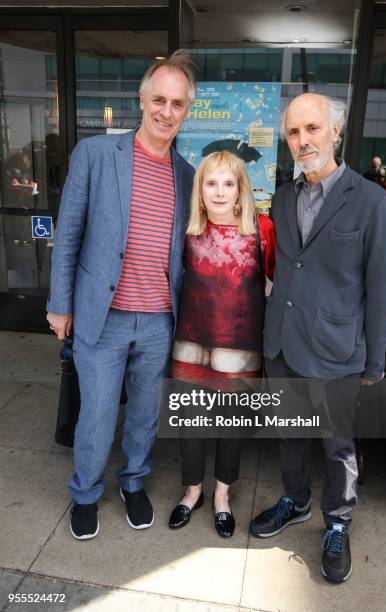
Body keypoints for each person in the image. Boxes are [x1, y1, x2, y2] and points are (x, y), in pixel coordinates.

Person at [249, 93, 386, 583]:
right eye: (293, 132)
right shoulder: (285, 195)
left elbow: (382, 288)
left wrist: (374, 360)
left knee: (339, 448)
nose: (302, 140)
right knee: (290, 435)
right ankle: (295, 501)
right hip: (284, 344)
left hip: (338, 352)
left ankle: (337, 521)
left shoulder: (373, 200)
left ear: (335, 132)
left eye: (312, 129)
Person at [46, 51, 196, 540]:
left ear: (186, 110)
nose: (166, 111)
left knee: (145, 416)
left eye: (177, 103)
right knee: (97, 414)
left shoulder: (187, 175)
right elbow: (68, 233)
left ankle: (133, 483)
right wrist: (60, 303)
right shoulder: (94, 155)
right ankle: (86, 493)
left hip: (159, 321)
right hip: (102, 315)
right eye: (159, 99)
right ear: (142, 100)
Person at [168, 151, 275, 538]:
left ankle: (222, 497)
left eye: (228, 183)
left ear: (240, 190)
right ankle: (192, 490)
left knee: (231, 427)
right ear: (200, 190)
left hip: (241, 348)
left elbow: (278, 286)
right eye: (210, 183)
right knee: (190, 424)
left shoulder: (262, 230)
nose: (219, 191)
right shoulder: (187, 230)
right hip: (191, 346)